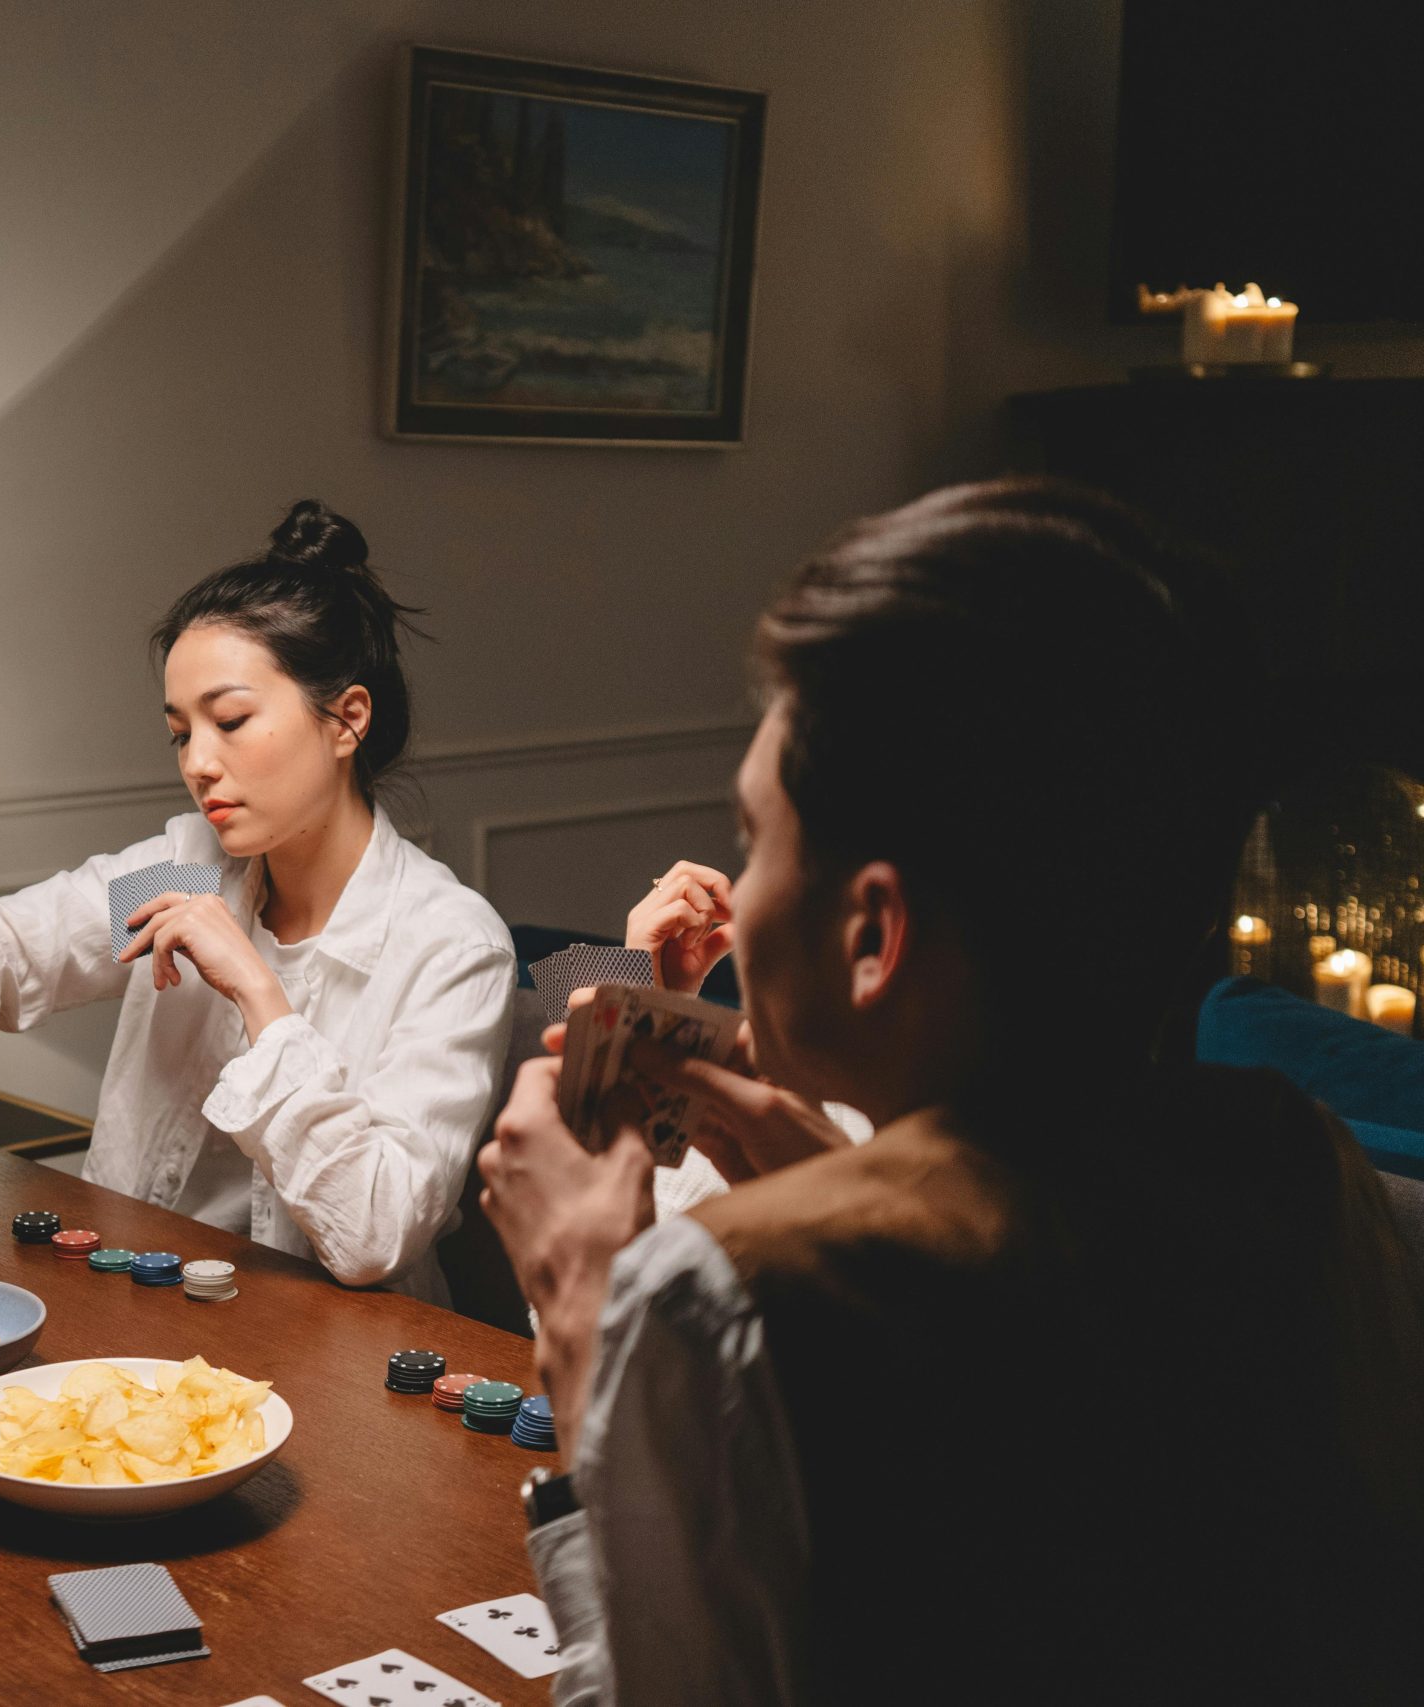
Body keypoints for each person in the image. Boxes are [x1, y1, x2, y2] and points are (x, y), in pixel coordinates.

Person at [478, 480, 1424, 1706]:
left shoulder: (719, 1290)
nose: (740, 884)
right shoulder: (1296, 1164)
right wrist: (827, 1179)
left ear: (872, 933)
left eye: (755, 839)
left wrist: (576, 1307)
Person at [0, 502, 516, 1299]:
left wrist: (259, 994)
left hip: (342, 1361)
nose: (198, 763)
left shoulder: (449, 944)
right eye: (179, 733)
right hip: (139, 1315)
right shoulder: (190, 874)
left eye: (230, 720)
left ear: (347, 719)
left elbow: (375, 1235)